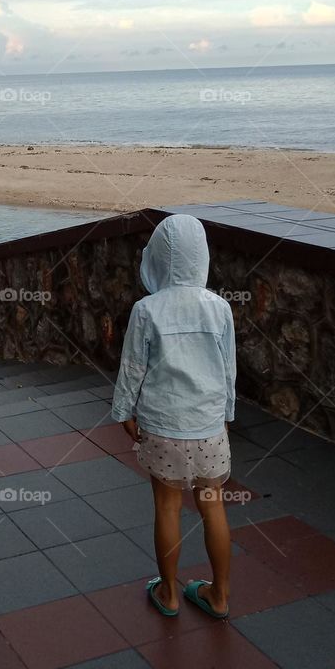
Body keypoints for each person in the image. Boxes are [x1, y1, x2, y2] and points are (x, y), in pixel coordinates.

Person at [111, 213, 236, 619]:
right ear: (201, 256)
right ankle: (218, 596)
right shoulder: (219, 308)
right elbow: (228, 369)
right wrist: (226, 413)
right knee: (212, 504)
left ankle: (168, 593)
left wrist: (123, 410)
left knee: (167, 506)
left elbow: (132, 367)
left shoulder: (147, 310)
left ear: (159, 259)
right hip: (208, 426)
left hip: (163, 427)